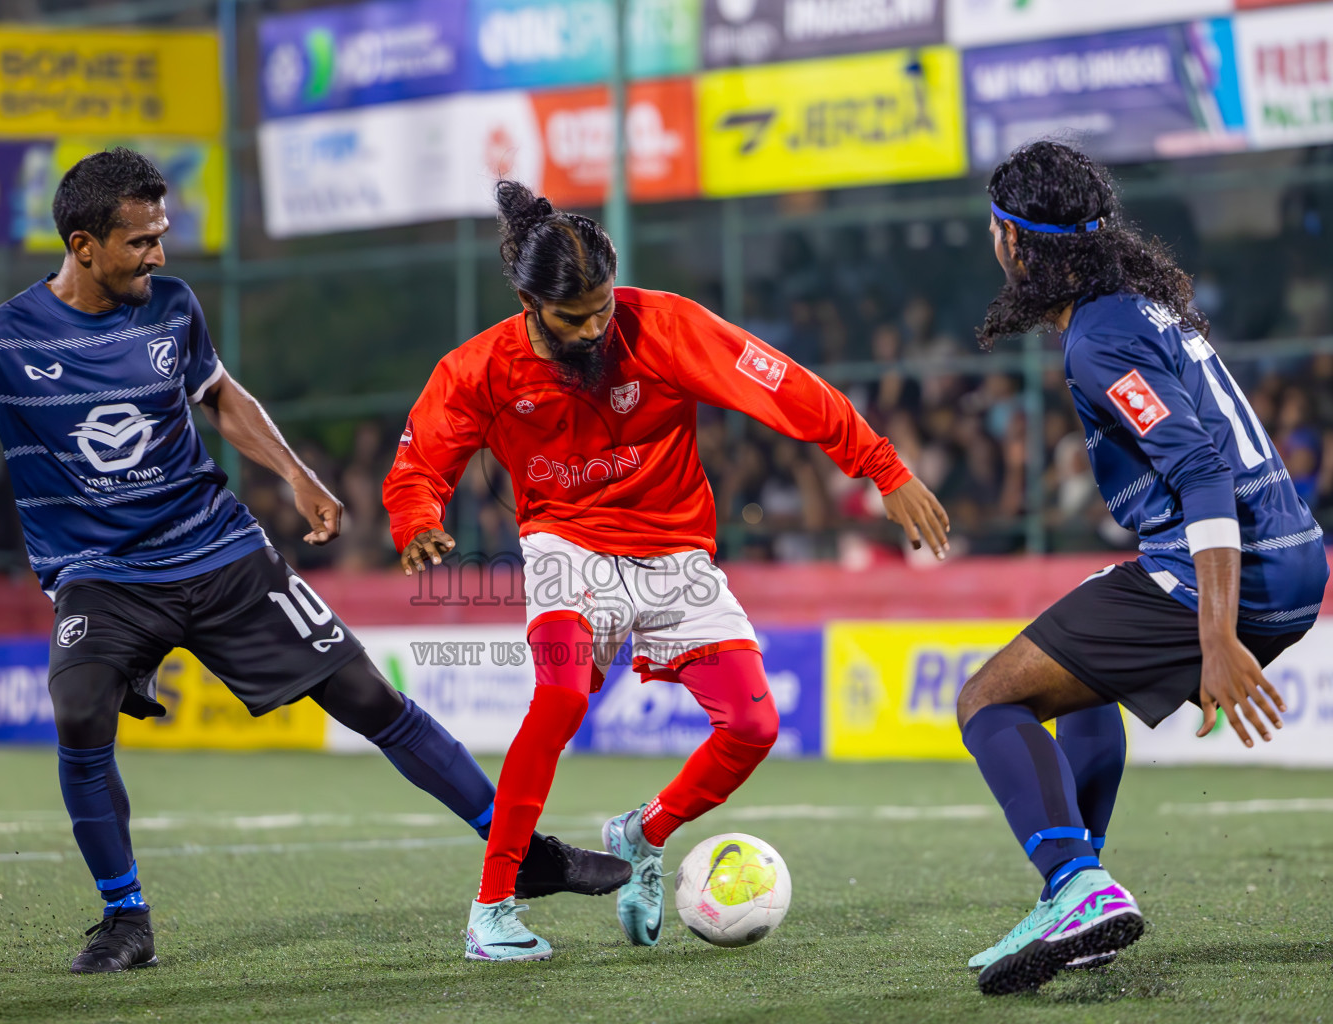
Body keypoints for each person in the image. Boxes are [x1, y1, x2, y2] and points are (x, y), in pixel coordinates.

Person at [0, 149, 626, 975]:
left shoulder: (171, 306)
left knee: (370, 698)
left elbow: (222, 395)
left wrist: (296, 474)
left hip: (220, 550)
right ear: (83, 246)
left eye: (161, 237)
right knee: (79, 710)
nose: (158, 255)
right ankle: (125, 918)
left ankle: (522, 853)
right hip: (103, 574)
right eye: (140, 242)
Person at [385, 181, 951, 962]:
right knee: (557, 697)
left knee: (753, 726)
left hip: (675, 556)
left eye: (602, 307)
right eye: (572, 316)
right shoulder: (480, 369)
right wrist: (417, 521)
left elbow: (784, 385)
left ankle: (641, 834)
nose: (593, 327)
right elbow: (420, 461)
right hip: (565, 548)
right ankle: (493, 907)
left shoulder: (663, 326)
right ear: (528, 301)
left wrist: (881, 468)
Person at [958, 141, 1328, 995]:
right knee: (1080, 681)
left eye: (994, 227)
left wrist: (1218, 636)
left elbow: (1200, 471)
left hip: (1235, 576)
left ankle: (1075, 887)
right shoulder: (1136, 309)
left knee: (987, 698)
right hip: (1293, 553)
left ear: (1018, 243)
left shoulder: (1097, 341)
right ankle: (1077, 897)